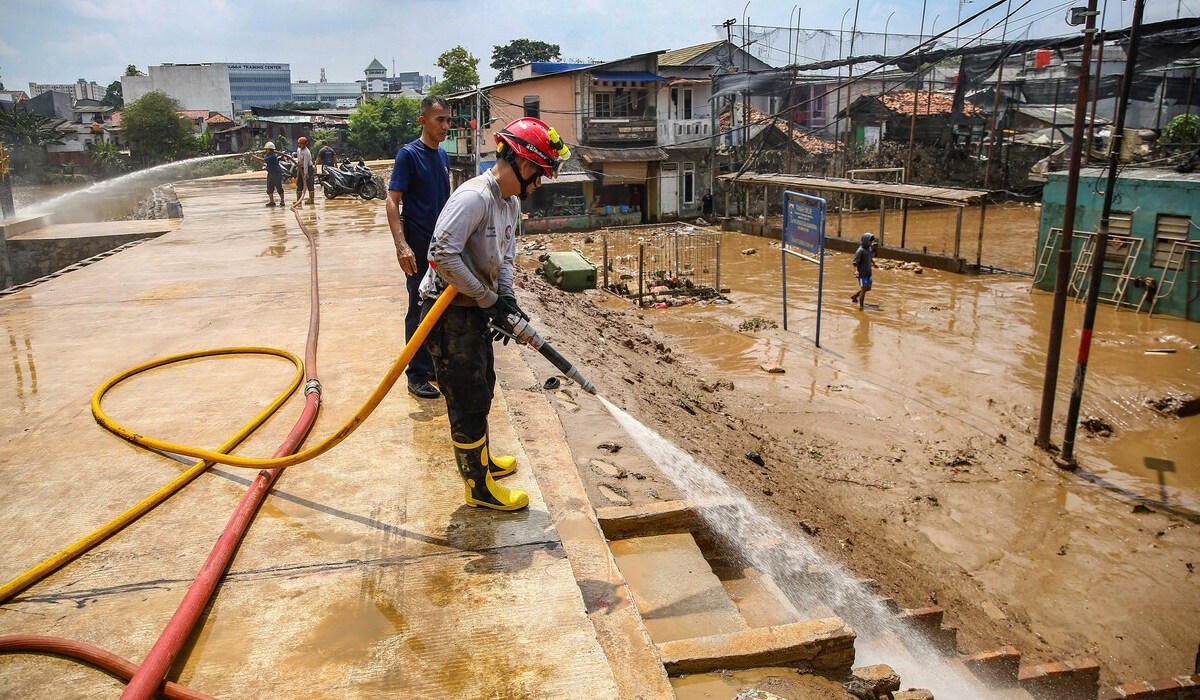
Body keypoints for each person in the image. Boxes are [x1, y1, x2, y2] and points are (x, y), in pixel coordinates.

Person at [417, 116, 569, 512]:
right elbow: (441, 255)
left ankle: (481, 462)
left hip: (473, 309)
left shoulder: (509, 202)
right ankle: (477, 488)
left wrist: (506, 299)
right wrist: (487, 299)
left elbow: (505, 257)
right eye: (540, 174)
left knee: (482, 385)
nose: (539, 184)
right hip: (446, 313)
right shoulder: (475, 198)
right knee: (466, 398)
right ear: (522, 161)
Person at [386, 96, 452, 400]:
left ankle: (432, 366)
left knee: (441, 308)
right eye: (440, 120)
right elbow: (392, 201)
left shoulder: (443, 158)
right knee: (419, 307)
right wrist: (402, 246)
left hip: (441, 248)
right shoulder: (408, 155)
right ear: (423, 121)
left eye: (448, 120)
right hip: (417, 243)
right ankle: (416, 373)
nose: (446, 126)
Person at [250, 141, 293, 207]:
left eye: (267, 149)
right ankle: (272, 201)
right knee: (269, 187)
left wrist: (255, 157)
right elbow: (264, 162)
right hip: (270, 173)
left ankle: (282, 201)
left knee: (279, 187)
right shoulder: (268, 155)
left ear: (270, 149)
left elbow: (264, 160)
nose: (266, 150)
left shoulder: (272, 156)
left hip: (276, 173)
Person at [850, 231, 877, 309]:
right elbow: (855, 263)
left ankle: (855, 296)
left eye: (871, 241)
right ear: (866, 241)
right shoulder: (860, 251)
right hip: (862, 273)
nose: (871, 242)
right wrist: (856, 271)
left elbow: (870, 257)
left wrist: (874, 263)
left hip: (868, 272)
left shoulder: (869, 249)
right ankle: (861, 306)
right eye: (870, 241)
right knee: (864, 289)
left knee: (868, 288)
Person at [293, 136, 315, 205]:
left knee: (309, 183)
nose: (299, 145)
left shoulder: (306, 152)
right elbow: (299, 159)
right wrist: (298, 165)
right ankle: (298, 200)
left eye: (301, 144)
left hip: (308, 168)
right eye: (299, 144)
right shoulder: (298, 149)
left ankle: (311, 199)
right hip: (301, 168)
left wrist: (305, 174)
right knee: (299, 183)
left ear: (305, 144)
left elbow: (306, 164)